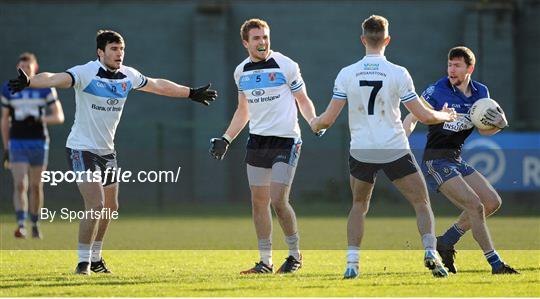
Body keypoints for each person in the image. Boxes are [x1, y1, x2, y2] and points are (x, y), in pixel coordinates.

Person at [8, 30, 217, 275]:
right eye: (114, 49)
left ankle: (96, 259)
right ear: (100, 52)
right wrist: (31, 81)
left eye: (121, 49)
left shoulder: (128, 75)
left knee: (110, 206)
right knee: (95, 204)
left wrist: (190, 93)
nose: (119, 54)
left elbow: (158, 85)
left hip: (107, 152)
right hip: (81, 148)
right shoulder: (86, 72)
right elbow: (56, 78)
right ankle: (82, 263)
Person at [310, 15, 457, 279]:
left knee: (359, 204)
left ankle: (352, 264)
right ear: (387, 40)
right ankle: (430, 251)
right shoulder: (398, 73)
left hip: (362, 149)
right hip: (394, 148)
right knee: (421, 202)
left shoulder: (347, 73)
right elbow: (423, 116)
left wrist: (314, 123)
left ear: (363, 39)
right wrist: (446, 116)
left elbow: (328, 120)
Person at [209, 18, 321, 274]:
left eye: (265, 37)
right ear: (245, 42)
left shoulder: (286, 65)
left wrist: (314, 121)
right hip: (257, 141)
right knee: (259, 202)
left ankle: (295, 255)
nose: (262, 42)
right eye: (257, 38)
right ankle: (265, 262)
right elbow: (243, 110)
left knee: (278, 200)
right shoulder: (241, 72)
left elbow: (302, 100)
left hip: (286, 140)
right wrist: (226, 138)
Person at [402, 46, 518, 275]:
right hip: (436, 160)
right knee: (475, 206)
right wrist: (401, 140)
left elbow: (484, 131)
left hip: (455, 158)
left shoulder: (481, 93)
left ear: (469, 68)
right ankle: (496, 264)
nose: (451, 70)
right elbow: (413, 115)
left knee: (492, 202)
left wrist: (500, 124)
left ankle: (446, 241)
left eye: (457, 65)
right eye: (449, 65)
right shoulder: (437, 90)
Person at [1, 52, 65, 239]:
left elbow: (59, 116)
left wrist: (38, 119)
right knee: (20, 183)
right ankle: (21, 225)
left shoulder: (45, 88)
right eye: (22, 67)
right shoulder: (9, 88)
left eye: (29, 67)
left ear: (35, 68)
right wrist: (6, 146)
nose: (25, 70)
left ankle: (35, 223)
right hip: (17, 142)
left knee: (36, 186)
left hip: (39, 141)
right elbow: (4, 120)